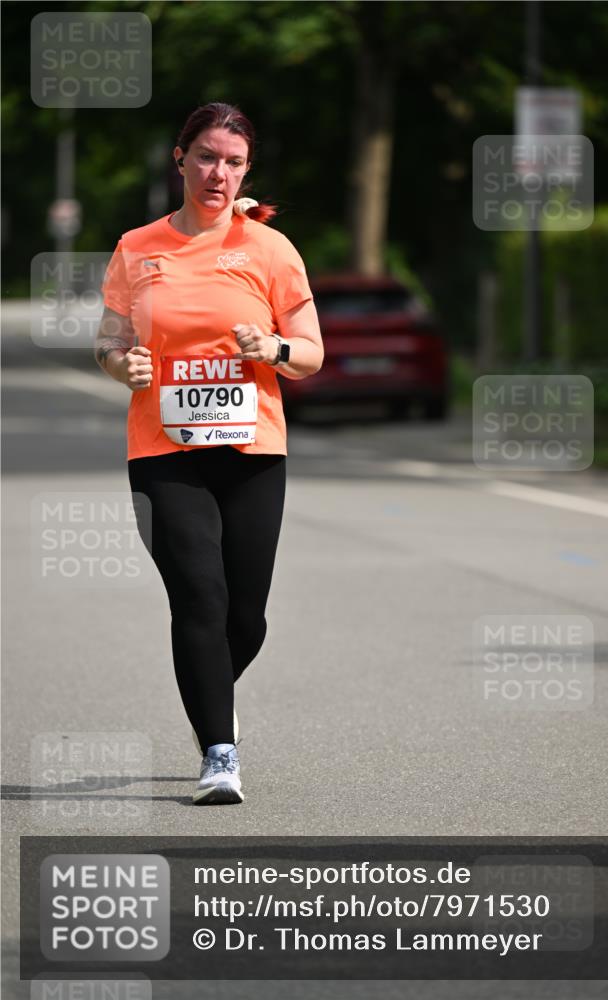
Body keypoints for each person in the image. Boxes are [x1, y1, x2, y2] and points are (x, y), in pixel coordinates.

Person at [95, 102, 324, 804]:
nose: (216, 172)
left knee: (243, 617)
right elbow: (108, 341)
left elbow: (311, 355)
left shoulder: (271, 251)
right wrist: (119, 367)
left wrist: (274, 349)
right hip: (163, 451)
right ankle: (218, 753)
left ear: (245, 170)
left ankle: (212, 694)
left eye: (231, 161)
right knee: (199, 595)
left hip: (252, 449)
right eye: (205, 156)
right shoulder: (138, 247)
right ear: (180, 159)